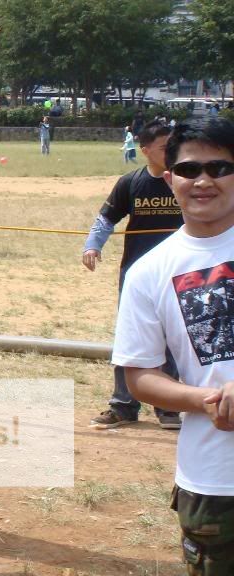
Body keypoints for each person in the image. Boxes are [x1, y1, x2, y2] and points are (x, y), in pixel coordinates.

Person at [112, 118, 234, 574]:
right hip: (214, 482)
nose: (203, 180)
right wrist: (210, 400)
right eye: (189, 169)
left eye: (219, 168)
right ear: (169, 178)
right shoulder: (149, 272)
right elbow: (139, 376)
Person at [85, 120, 184, 429]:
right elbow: (106, 219)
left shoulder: (184, 180)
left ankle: (168, 406)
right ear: (144, 151)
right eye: (164, 147)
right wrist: (92, 245)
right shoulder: (130, 182)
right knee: (131, 337)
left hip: (179, 273)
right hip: (136, 275)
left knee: (173, 337)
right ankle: (124, 406)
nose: (171, 152)